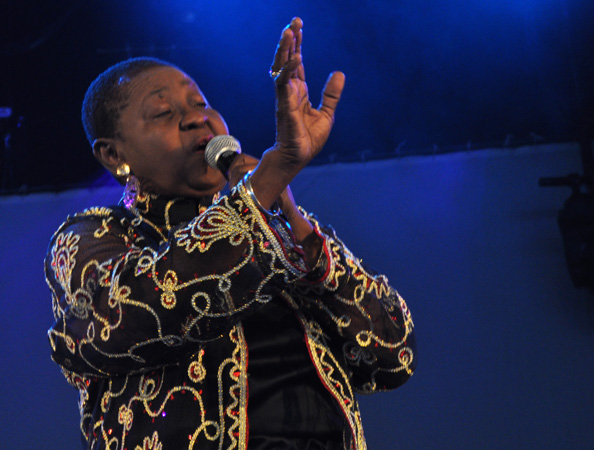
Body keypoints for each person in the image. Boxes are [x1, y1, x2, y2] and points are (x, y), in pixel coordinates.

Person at [45, 17, 416, 450]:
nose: (196, 119)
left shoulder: (279, 228)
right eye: (164, 113)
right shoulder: (94, 235)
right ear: (114, 154)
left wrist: (289, 213)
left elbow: (392, 354)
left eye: (201, 103)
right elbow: (128, 317)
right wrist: (263, 186)